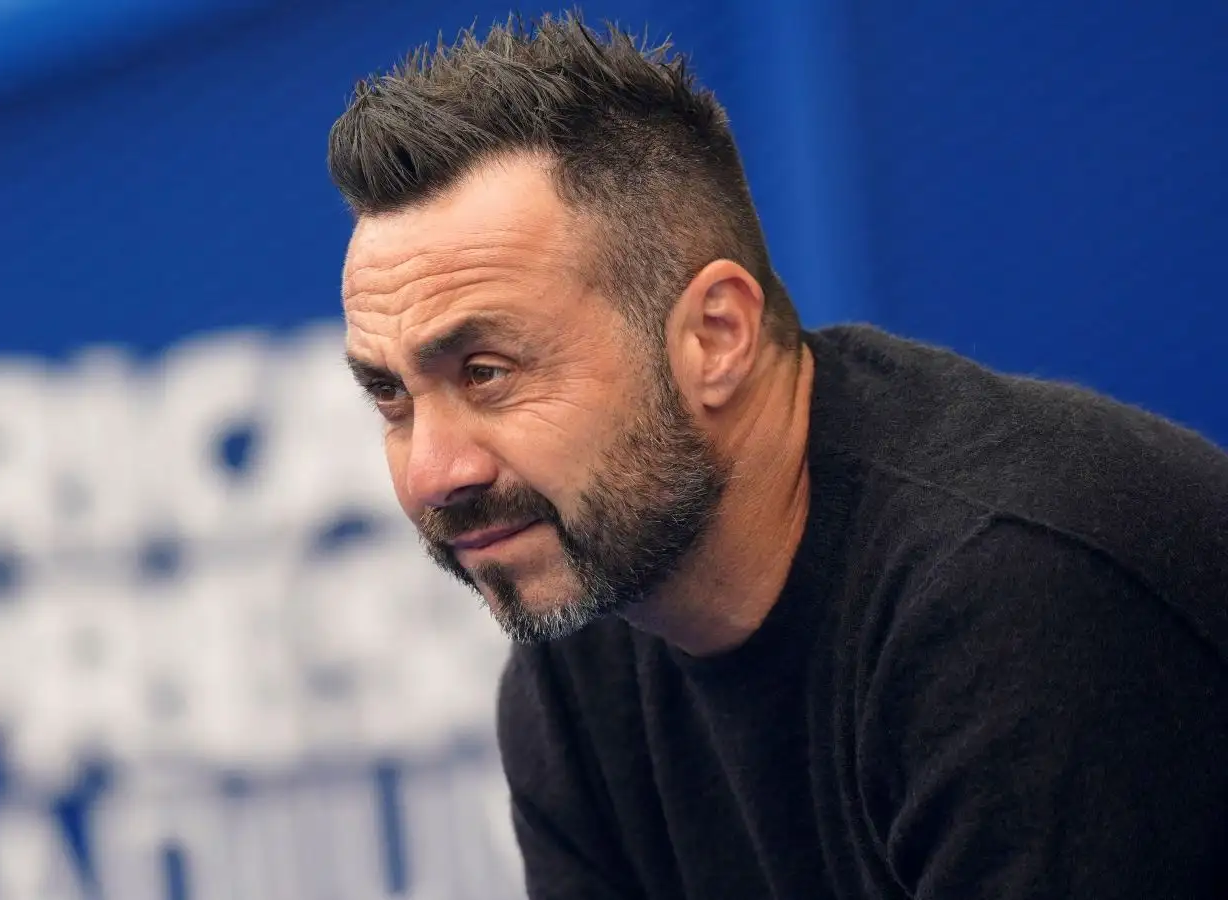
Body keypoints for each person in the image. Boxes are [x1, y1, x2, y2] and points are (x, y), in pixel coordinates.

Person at [327, 12, 1228, 900]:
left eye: (487, 372)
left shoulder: (1008, 593)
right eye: (393, 397)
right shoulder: (584, 654)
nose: (434, 474)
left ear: (716, 337)